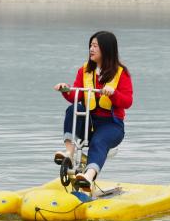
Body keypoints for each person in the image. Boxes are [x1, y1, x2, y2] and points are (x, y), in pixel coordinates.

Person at [53, 30, 132, 190]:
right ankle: (69, 154)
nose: (91, 49)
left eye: (95, 46)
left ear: (106, 49)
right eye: (91, 45)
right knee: (73, 109)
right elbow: (76, 95)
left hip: (111, 125)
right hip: (89, 122)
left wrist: (113, 93)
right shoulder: (84, 71)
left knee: (99, 141)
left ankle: (88, 177)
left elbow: (127, 101)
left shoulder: (121, 73)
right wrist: (66, 89)